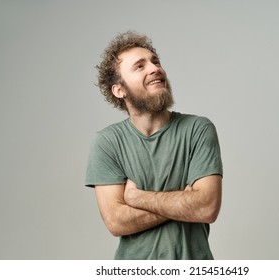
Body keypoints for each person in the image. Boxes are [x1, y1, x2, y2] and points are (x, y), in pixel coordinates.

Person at [85, 31, 223, 260]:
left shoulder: (198, 129)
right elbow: (116, 222)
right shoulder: (107, 143)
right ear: (120, 90)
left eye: (155, 61)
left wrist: (138, 198)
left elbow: (207, 207)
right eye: (140, 66)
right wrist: (184, 202)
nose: (155, 68)